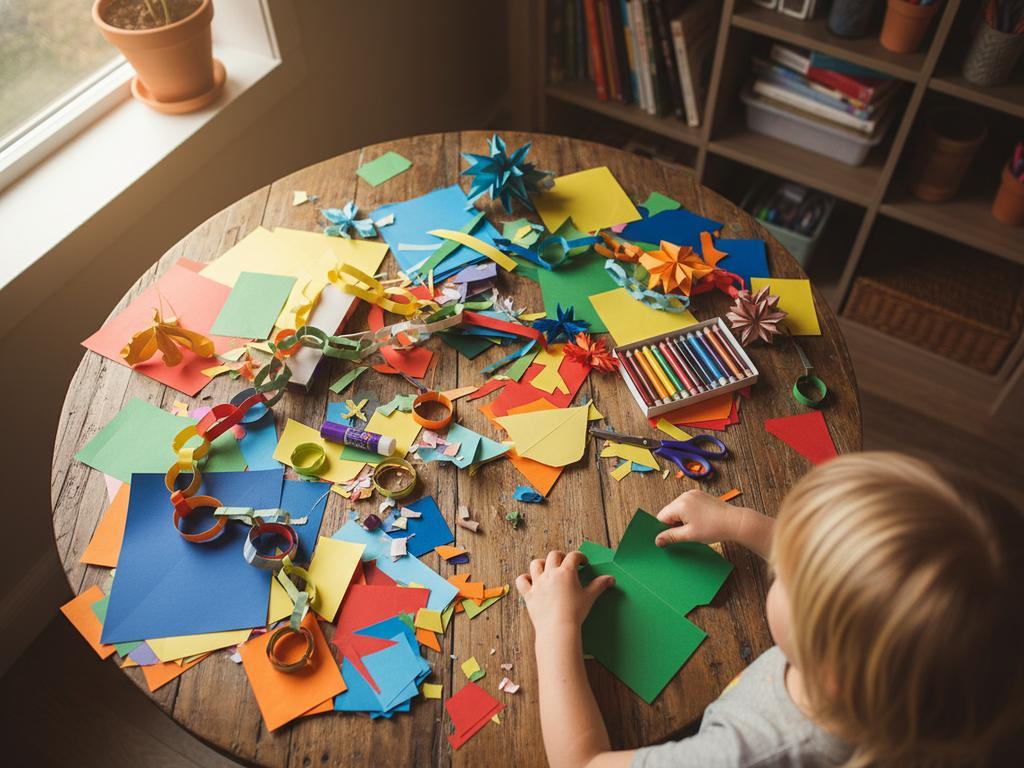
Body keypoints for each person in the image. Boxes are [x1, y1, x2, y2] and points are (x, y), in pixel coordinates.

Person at [515, 453, 1024, 768]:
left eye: (791, 571)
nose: (783, 558)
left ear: (831, 673)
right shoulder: (942, 691)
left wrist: (556, 626)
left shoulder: (754, 752)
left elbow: (582, 763)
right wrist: (740, 523)